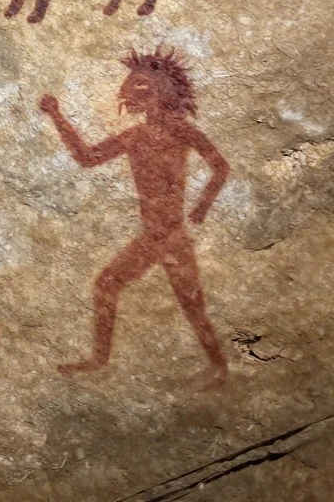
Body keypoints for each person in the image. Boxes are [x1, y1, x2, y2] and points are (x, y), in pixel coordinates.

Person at [39, 47, 229, 380]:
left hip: (171, 237)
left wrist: (201, 207)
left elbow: (220, 168)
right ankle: (100, 360)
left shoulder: (182, 131)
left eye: (139, 84)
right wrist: (57, 116)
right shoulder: (135, 136)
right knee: (108, 285)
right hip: (151, 237)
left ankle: (218, 366)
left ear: (161, 90)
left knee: (192, 305)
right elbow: (87, 158)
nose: (125, 91)